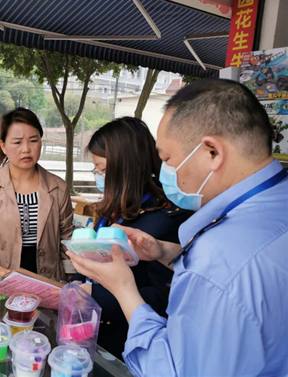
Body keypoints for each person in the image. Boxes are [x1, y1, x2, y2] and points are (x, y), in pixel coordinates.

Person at [68, 79, 288, 376]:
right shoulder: (272, 206)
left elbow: (172, 368)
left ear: (212, 152)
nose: (166, 171)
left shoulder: (217, 255)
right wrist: (166, 252)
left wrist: (121, 289)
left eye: (168, 159)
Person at [71, 117, 191, 360]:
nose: (99, 177)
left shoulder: (167, 219)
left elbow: (166, 298)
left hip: (129, 345)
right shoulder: (114, 209)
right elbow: (95, 255)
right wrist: (76, 281)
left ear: (126, 166)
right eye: (97, 170)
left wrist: (95, 295)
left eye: (103, 170)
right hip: (93, 335)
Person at [0, 107, 74, 281]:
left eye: (33, 140)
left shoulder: (58, 187)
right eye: (17, 142)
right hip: (2, 285)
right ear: (3, 146)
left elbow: (67, 241)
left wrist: (69, 283)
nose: (26, 149)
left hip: (49, 286)